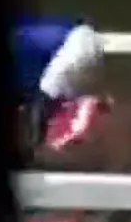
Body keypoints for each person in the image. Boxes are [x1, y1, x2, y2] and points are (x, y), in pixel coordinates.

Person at [12, 15, 106, 147]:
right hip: (93, 49)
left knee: (44, 97)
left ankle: (37, 145)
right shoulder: (51, 29)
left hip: (73, 48)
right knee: (63, 97)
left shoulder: (24, 38)